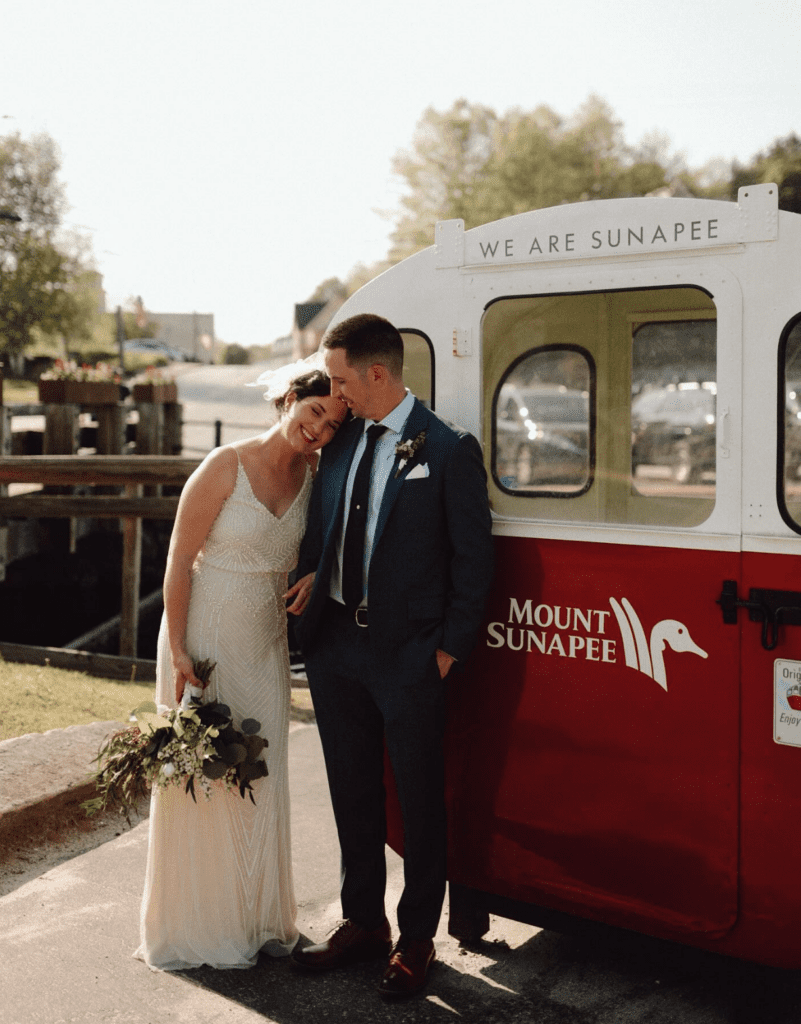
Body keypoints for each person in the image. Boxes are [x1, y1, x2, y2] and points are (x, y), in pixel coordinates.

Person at [286, 314, 494, 998]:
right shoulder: (342, 441)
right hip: (336, 646)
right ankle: (362, 922)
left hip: (408, 656)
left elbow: (473, 561)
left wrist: (446, 652)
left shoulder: (448, 447)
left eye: (342, 379)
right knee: (351, 793)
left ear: (378, 374)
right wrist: (319, 578)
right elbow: (327, 527)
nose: (333, 393)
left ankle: (415, 939)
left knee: (419, 798)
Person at [135, 366, 347, 971]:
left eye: (332, 424)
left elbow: (317, 550)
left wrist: (312, 577)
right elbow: (178, 561)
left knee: (262, 766)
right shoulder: (225, 465)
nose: (319, 430)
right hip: (203, 630)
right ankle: (201, 921)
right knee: (203, 770)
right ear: (288, 400)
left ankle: (254, 917)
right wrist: (178, 649)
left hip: (267, 640)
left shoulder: (315, 475)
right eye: (313, 413)